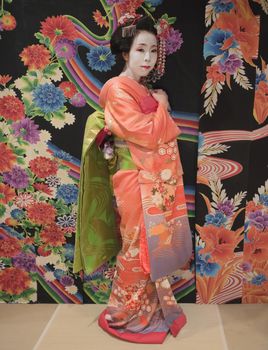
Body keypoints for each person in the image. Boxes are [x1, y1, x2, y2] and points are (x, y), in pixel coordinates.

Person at [74, 15, 192, 344]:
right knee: (137, 246)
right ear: (125, 53)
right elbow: (147, 134)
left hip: (149, 177)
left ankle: (147, 310)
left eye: (153, 51)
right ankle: (123, 313)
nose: (148, 58)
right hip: (133, 176)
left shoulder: (141, 89)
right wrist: (162, 105)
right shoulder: (116, 89)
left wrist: (157, 102)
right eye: (140, 50)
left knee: (150, 245)